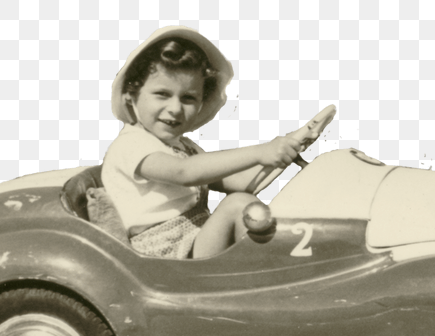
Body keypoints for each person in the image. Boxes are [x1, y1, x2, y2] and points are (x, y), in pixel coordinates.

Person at [102, 26, 301, 259]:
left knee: (247, 204)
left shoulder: (183, 146)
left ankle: (267, 269)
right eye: (162, 94)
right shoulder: (131, 144)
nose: (175, 108)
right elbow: (183, 172)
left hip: (192, 240)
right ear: (131, 94)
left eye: (188, 98)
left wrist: (285, 151)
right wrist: (260, 152)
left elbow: (240, 182)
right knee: (237, 206)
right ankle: (263, 274)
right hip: (161, 255)